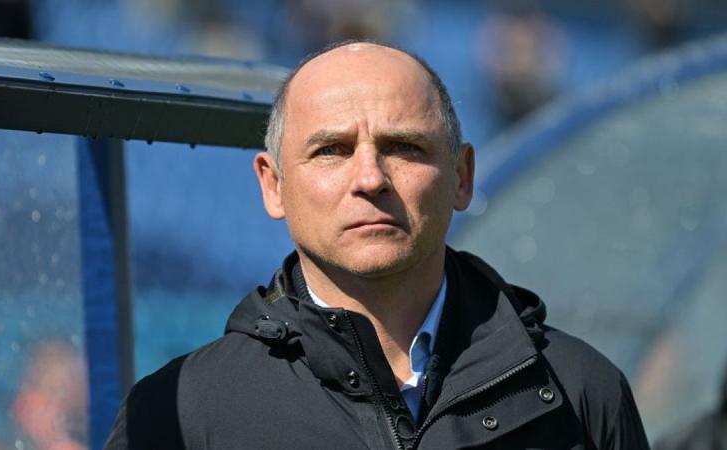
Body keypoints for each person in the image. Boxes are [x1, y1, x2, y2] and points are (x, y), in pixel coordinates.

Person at [105, 40, 649, 449]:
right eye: (332, 150)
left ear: (461, 177)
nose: (370, 178)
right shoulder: (180, 413)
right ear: (273, 185)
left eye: (403, 146)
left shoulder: (580, 392)